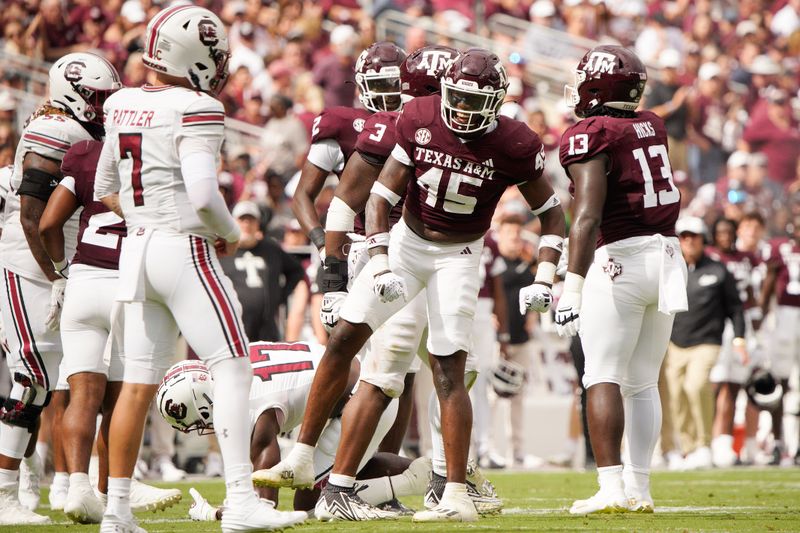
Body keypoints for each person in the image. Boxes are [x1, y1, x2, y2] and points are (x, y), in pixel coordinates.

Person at [257, 48, 565, 523]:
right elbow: (376, 198)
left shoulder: (515, 142)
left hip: (460, 256)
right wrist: (374, 263)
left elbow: (551, 215)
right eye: (455, 97)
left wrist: (547, 274)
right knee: (347, 340)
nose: (460, 110)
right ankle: (303, 457)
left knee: (449, 370)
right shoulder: (417, 116)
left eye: (472, 100)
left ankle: (453, 488)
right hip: (404, 244)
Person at [93, 6, 306, 532]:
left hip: (138, 252)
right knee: (233, 367)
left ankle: (115, 513)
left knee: (137, 383)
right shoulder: (196, 106)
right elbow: (206, 197)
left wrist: (145, 218)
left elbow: (105, 189)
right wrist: (229, 235)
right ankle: (239, 501)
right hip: (183, 248)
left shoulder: (120, 103)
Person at [315, 44, 501, 517]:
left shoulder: (445, 128)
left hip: (418, 256)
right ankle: (336, 482)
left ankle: (431, 474)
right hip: (388, 254)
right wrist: (334, 273)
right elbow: (342, 203)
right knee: (386, 375)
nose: (455, 108)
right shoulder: (399, 125)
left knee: (440, 371)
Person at [556, 45, 688, 514]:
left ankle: (611, 488)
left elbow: (586, 216)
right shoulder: (652, 122)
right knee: (643, 382)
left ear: (596, 86)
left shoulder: (590, 133)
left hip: (621, 259)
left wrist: (571, 285)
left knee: (602, 376)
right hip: (668, 255)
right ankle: (640, 489)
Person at [0, 52, 120, 525]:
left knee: (45, 385)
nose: (102, 105)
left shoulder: (74, 126)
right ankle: (6, 494)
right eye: (96, 97)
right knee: (31, 381)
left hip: (52, 265)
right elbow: (32, 216)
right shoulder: (56, 128)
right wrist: (56, 275)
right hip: (28, 267)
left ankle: (31, 484)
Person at [39, 139, 181, 523]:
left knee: (81, 396)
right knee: (120, 402)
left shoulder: (88, 154)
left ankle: (76, 486)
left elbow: (49, 223)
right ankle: (110, 492)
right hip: (128, 286)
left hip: (83, 282)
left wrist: (60, 272)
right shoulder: (160, 158)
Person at [157, 341, 431, 518]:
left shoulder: (245, 399)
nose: (203, 427)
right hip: (360, 393)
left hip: (363, 401)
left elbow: (266, 500)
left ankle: (416, 480)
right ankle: (436, 474)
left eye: (196, 421)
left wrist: (218, 514)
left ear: (204, 403)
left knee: (311, 506)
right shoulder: (234, 366)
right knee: (343, 472)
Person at [292, 40, 406, 258]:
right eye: (380, 85)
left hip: (410, 242)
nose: (389, 94)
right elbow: (302, 195)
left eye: (394, 85)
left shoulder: (417, 123)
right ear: (362, 86)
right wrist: (323, 246)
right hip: (360, 243)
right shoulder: (341, 123)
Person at [665, 217, 746, 470]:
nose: (688, 241)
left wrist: (739, 339)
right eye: (684, 236)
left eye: (694, 236)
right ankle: (688, 449)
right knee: (676, 395)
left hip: (707, 341)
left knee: (696, 385)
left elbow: (736, 308)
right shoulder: (669, 270)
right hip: (674, 343)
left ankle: (704, 444)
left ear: (703, 240)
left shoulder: (718, 270)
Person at [705, 217, 760, 467]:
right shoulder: (709, 257)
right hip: (715, 322)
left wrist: (757, 317)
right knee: (715, 384)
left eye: (729, 232)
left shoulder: (746, 258)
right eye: (721, 232)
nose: (725, 237)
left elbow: (750, 292)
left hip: (741, 321)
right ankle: (711, 440)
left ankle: (724, 442)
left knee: (735, 384)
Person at [221, 201, 305, 342]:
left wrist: (280, 296)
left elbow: (296, 271)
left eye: (251, 220)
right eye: (242, 220)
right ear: (233, 222)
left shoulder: (271, 249)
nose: (247, 224)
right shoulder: (223, 251)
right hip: (232, 329)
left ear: (258, 223)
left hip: (266, 329)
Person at [758, 212, 800, 466]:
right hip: (784, 315)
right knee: (780, 380)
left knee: (787, 382)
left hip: (787, 316)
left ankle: (788, 443)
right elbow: (770, 279)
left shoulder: (779, 247)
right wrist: (760, 315)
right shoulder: (778, 247)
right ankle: (777, 441)